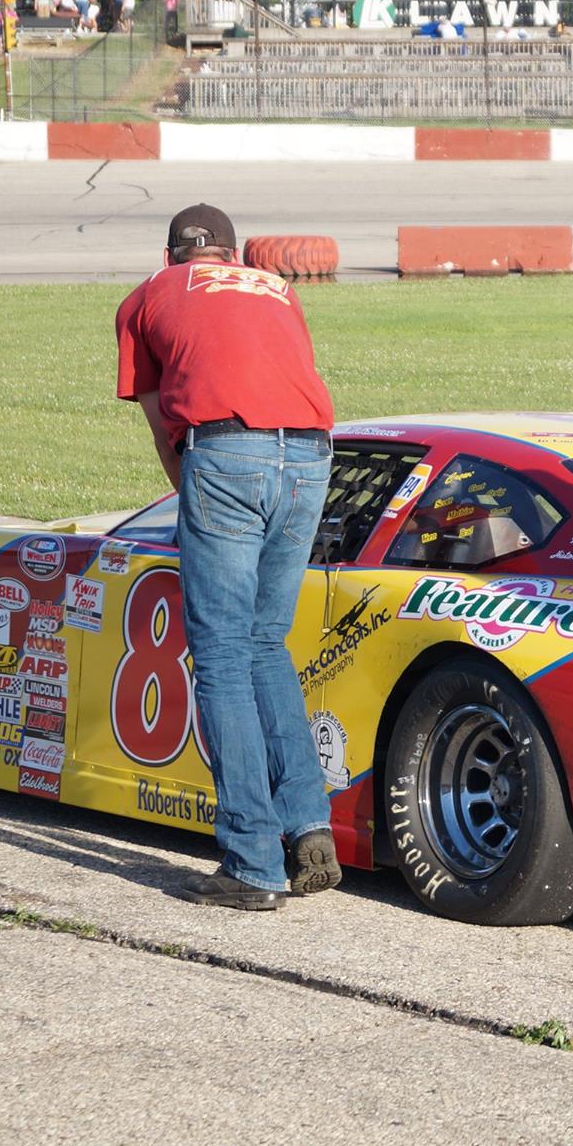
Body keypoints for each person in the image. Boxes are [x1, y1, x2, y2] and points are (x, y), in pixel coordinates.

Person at [114, 205, 340, 913]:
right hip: (311, 456)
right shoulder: (277, 286)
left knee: (216, 655)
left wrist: (198, 496)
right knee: (264, 642)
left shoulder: (150, 293)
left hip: (226, 449)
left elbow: (163, 426)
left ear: (173, 253)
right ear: (234, 252)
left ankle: (251, 858)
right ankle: (309, 823)